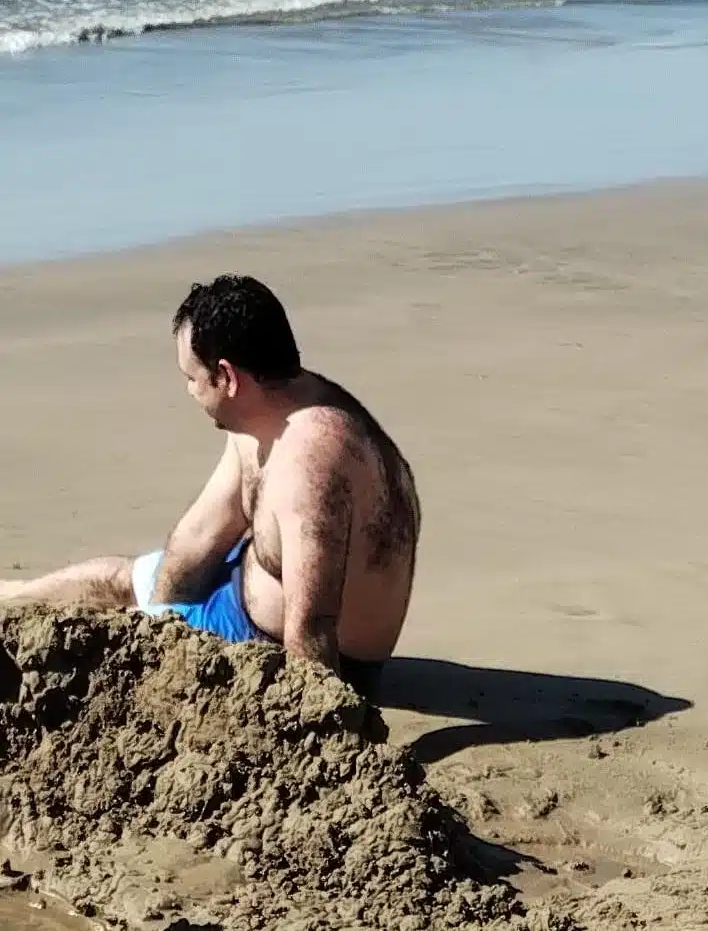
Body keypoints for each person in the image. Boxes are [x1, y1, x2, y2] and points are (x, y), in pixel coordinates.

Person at [0, 275, 420, 701]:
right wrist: (161, 621)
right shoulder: (267, 409)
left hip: (277, 648)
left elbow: (313, 632)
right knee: (117, 581)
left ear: (227, 377)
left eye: (191, 377)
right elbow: (200, 535)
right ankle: (10, 598)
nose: (188, 390)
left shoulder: (312, 467)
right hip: (244, 589)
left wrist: (311, 728)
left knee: (108, 615)